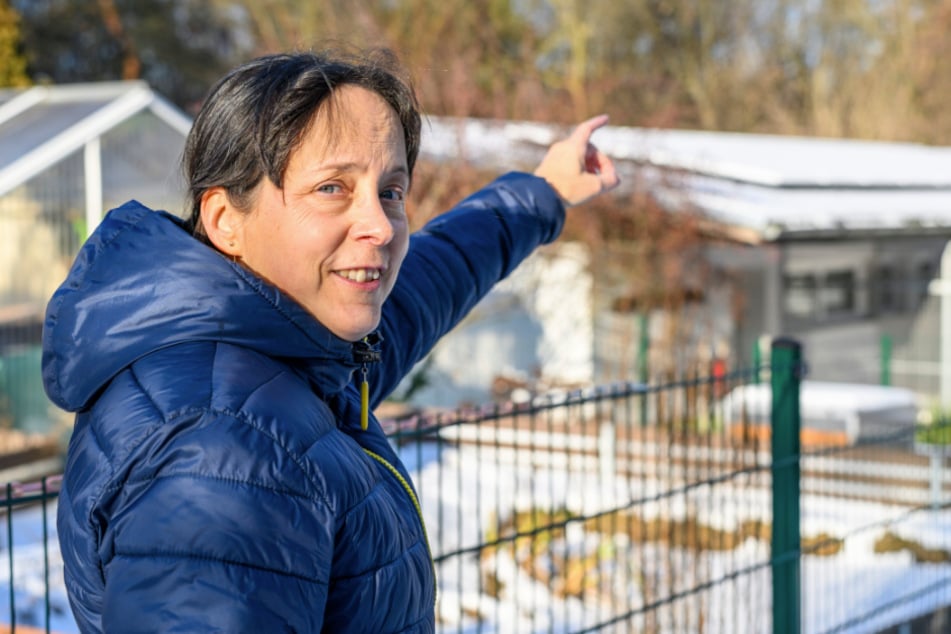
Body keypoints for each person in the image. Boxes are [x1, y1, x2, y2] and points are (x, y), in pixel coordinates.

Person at [43, 48, 618, 633]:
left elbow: (433, 277)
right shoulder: (227, 444)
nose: (381, 224)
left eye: (391, 190)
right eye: (332, 188)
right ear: (225, 220)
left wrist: (543, 191)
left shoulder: (293, 360)